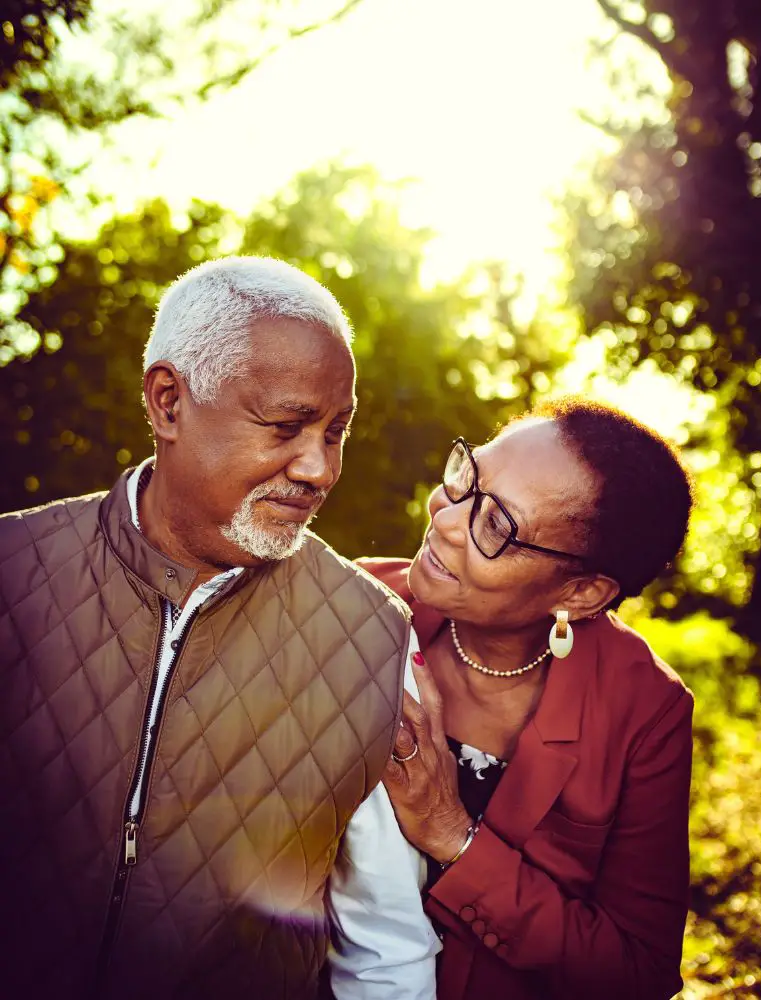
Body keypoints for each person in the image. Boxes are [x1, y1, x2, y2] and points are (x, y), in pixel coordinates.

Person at [0, 256, 436, 1000]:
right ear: (169, 402)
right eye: (288, 426)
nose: (320, 469)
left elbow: (385, 949)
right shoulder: (11, 570)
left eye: (336, 432)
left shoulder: (375, 640)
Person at [329, 397, 696, 1000]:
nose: (443, 517)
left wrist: (451, 835)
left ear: (580, 594)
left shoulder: (645, 712)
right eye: (466, 477)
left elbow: (639, 970)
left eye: (495, 526)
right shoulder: (354, 602)